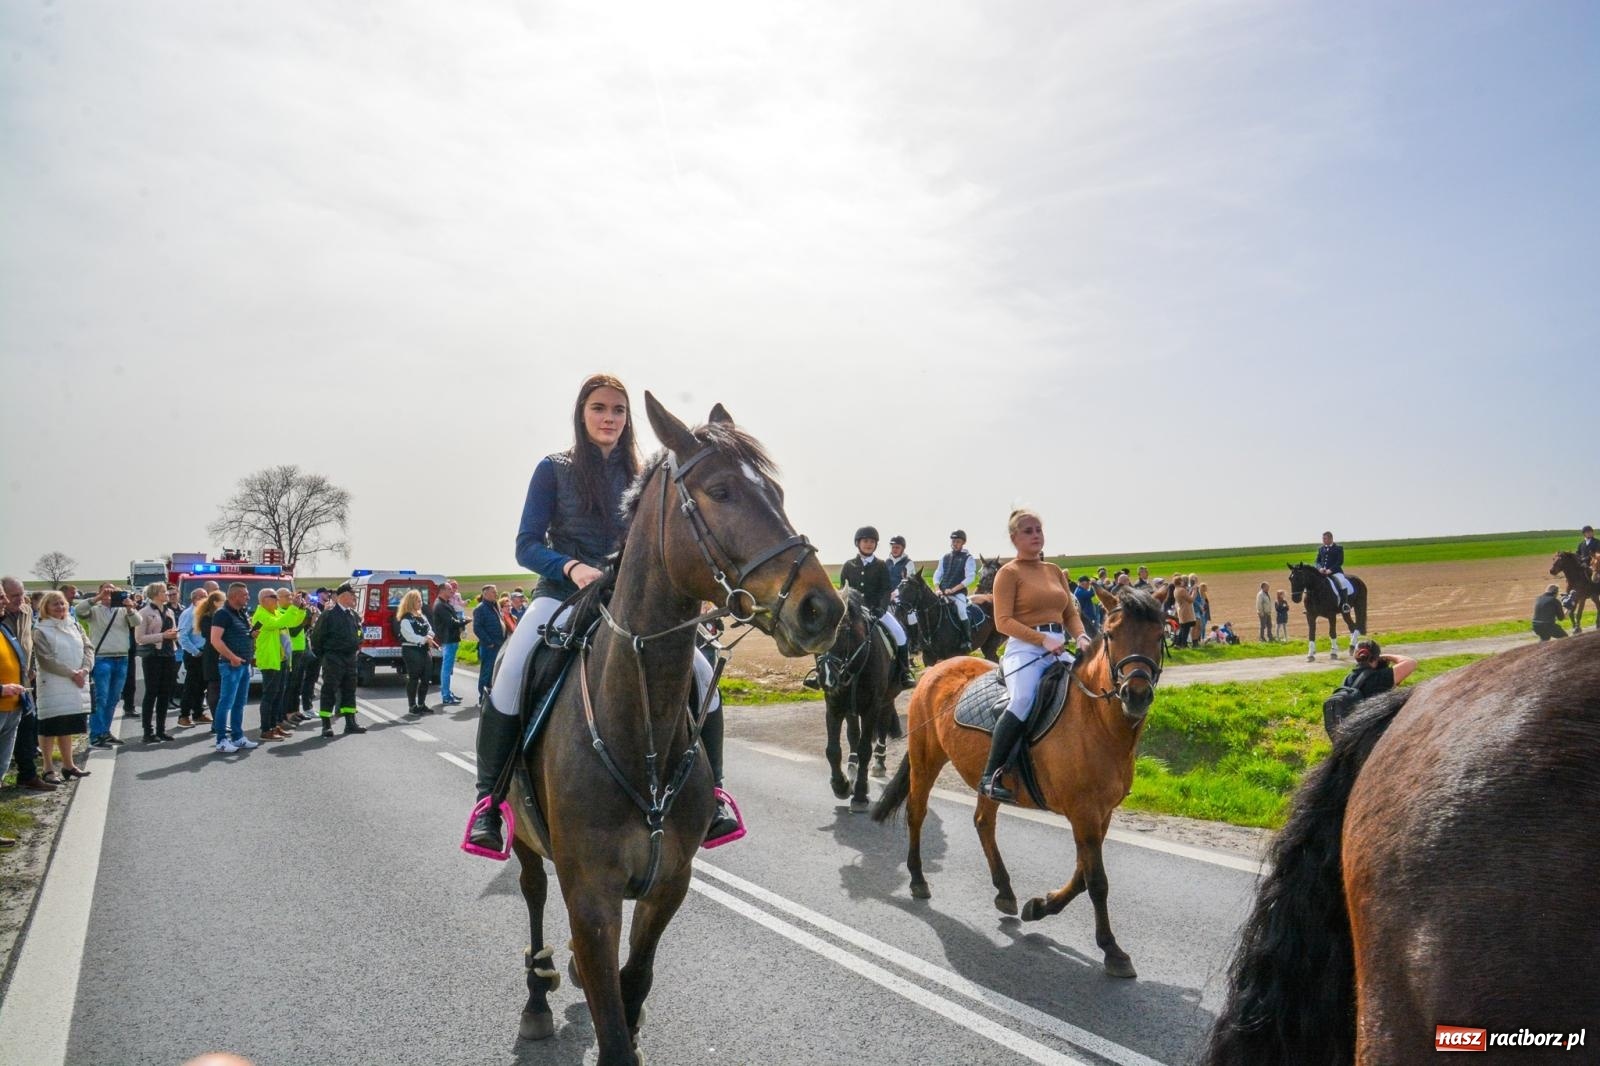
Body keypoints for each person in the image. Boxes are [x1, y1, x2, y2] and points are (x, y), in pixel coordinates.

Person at [473, 373, 739, 852]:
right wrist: (571, 567)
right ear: (582, 413)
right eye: (599, 408)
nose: (609, 418)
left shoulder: (646, 472)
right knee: (512, 670)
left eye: (618, 410)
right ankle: (488, 804)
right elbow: (526, 545)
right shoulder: (553, 469)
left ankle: (715, 795)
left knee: (703, 674)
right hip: (562, 594)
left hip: (628, 598)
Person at [982, 509, 1090, 802]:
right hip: (1024, 648)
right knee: (1023, 699)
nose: (1035, 535)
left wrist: (1081, 636)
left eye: (1038, 530)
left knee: (1088, 690)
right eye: (1028, 531)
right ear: (1014, 538)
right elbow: (1003, 621)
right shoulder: (1008, 573)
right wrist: (1041, 639)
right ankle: (990, 775)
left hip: (1058, 647)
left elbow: (1069, 613)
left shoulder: (1054, 570)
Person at [837, 527, 916, 687]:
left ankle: (904, 672)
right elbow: (843, 590)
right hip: (853, 612)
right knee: (831, 634)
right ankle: (822, 672)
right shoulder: (848, 565)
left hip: (875, 611)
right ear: (858, 543)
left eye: (872, 542)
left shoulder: (880, 565)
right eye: (865, 541)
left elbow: (886, 589)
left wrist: (881, 608)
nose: (869, 544)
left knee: (900, 633)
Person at [32, 591, 93, 783]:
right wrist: (72, 673)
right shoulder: (41, 629)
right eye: (55, 604)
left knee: (67, 724)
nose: (60, 607)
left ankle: (69, 765)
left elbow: (88, 648)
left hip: (77, 681)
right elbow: (45, 659)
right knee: (50, 726)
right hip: (53, 684)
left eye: (62, 603)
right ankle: (48, 768)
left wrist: (84, 670)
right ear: (45, 607)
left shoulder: (74, 625)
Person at [1, 575, 53, 792]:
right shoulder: (3, 618)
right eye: (12, 595)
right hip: (4, 687)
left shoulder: (26, 611)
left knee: (26, 729)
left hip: (22, 684)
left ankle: (27, 775)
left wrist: (30, 667)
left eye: (21, 594)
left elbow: (27, 641)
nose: (18, 599)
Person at [76, 584, 139, 748]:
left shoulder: (123, 610)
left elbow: (136, 622)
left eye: (113, 592)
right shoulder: (95, 611)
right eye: (106, 591)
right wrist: (98, 598)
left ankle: (105, 731)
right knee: (101, 697)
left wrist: (130, 607)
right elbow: (79, 611)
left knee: (114, 698)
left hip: (122, 657)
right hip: (102, 658)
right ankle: (96, 735)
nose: (110, 595)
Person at [1323, 638, 1416, 737]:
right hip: (1375, 735)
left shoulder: (1348, 678)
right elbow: (1411, 662)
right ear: (1376, 657)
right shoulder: (1381, 677)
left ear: (1356, 656)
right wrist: (1386, 656)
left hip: (1351, 735)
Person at [208, 583, 260, 754]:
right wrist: (232, 657)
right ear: (235, 596)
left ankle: (238, 736)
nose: (248, 597)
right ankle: (221, 740)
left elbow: (240, 634)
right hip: (230, 665)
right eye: (245, 595)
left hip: (243, 664)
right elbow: (215, 640)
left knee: (240, 703)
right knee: (226, 702)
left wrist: (251, 635)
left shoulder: (241, 613)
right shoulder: (222, 614)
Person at [309, 582, 365, 738]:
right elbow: (316, 638)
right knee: (330, 690)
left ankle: (350, 723)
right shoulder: (329, 615)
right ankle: (326, 725)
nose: (354, 599)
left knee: (349, 690)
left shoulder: (353, 615)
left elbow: (359, 633)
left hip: (350, 658)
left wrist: (358, 644)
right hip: (333, 658)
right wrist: (325, 656)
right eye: (352, 595)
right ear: (344, 596)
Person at [133, 582, 181, 742]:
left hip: (169, 653)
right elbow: (139, 638)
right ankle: (148, 731)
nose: (167, 594)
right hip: (153, 655)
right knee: (151, 692)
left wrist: (175, 635)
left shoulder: (169, 611)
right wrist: (162, 636)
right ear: (154, 594)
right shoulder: (144, 612)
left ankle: (161, 729)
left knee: (165, 693)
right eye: (163, 591)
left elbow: (174, 631)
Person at [250, 589, 292, 741]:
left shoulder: (275, 612)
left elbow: (291, 621)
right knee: (270, 696)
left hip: (280, 659)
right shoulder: (261, 615)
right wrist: (294, 608)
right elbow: (279, 623)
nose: (277, 599)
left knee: (278, 695)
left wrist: (300, 610)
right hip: (270, 661)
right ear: (263, 600)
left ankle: (274, 726)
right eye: (274, 597)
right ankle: (266, 729)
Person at [935, 530, 978, 652]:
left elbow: (970, 577)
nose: (955, 543)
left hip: (958, 593)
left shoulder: (968, 558)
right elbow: (937, 574)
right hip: (942, 592)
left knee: (961, 611)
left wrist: (953, 589)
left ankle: (967, 640)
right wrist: (937, 588)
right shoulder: (945, 557)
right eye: (953, 541)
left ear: (963, 543)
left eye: (958, 541)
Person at [398, 589, 438, 714]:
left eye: (421, 600)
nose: (421, 603)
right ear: (411, 602)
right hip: (411, 650)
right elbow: (410, 636)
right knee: (414, 678)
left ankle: (421, 704)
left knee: (426, 678)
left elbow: (430, 629)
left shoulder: (422, 616)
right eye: (418, 601)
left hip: (424, 650)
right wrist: (426, 639)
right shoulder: (405, 619)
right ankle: (412, 705)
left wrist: (429, 637)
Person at [175, 588, 208, 728]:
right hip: (194, 654)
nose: (206, 599)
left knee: (201, 686)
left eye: (206, 596)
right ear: (194, 599)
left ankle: (198, 713)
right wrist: (195, 651)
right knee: (191, 686)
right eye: (202, 596)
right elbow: (182, 636)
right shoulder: (189, 614)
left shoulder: (203, 613)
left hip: (204, 653)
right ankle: (183, 716)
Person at [431, 580, 466, 706]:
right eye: (449, 589)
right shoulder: (440, 605)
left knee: (448, 669)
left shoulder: (445, 603)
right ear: (442, 591)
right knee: (446, 669)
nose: (452, 591)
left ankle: (448, 693)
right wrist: (464, 621)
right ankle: (446, 696)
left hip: (451, 639)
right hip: (448, 640)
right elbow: (451, 622)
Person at [472, 584, 504, 706]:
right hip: (489, 647)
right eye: (493, 592)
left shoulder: (495, 606)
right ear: (485, 594)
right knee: (487, 672)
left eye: (496, 591)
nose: (496, 594)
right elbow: (477, 628)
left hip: (499, 645)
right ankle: (483, 698)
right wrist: (489, 642)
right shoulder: (480, 608)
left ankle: (492, 697)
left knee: (495, 672)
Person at [1315, 531, 1356, 613]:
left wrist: (1330, 570)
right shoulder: (1321, 549)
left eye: (1325, 538)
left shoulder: (1338, 548)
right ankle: (1312, 605)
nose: (1323, 540)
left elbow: (1340, 562)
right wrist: (1320, 568)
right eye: (1323, 538)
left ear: (1330, 538)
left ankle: (1345, 604)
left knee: (1342, 582)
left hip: (1335, 572)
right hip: (1322, 572)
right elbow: (1317, 561)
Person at [1073, 574, 1101, 639]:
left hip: (1087, 615)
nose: (1088, 585)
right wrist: (1093, 585)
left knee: (1091, 632)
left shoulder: (1081, 590)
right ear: (1083, 583)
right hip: (1086, 616)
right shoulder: (1079, 591)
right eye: (1088, 583)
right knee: (1089, 633)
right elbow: (1091, 593)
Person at [1172, 573, 1196, 647]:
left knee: (1183, 628)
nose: (1183, 582)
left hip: (1182, 611)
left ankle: (1178, 644)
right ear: (1179, 582)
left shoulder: (1176, 589)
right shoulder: (1182, 590)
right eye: (1182, 581)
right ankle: (1183, 644)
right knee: (1186, 629)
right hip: (1186, 611)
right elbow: (1191, 600)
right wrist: (1194, 591)